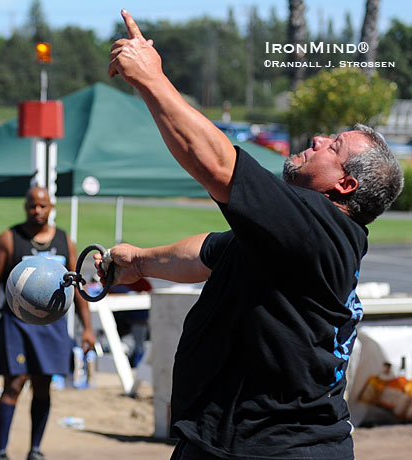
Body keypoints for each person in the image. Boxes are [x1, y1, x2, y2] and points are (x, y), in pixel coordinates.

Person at [96, 10, 404, 460]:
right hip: (221, 442)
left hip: (279, 450)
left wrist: (151, 79)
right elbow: (207, 251)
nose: (318, 138)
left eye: (333, 146)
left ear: (346, 186)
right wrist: (139, 262)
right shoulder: (288, 237)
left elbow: (219, 165)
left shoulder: (323, 230)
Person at [0, 186, 95, 460]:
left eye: (42, 206)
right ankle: (1, 450)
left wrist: (87, 327)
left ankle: (35, 449)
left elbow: (77, 288)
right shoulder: (9, 238)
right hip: (16, 322)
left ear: (51, 207)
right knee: (14, 383)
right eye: (32, 205)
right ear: (25, 206)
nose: (37, 211)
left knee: (43, 384)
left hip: (52, 324)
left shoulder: (65, 240)